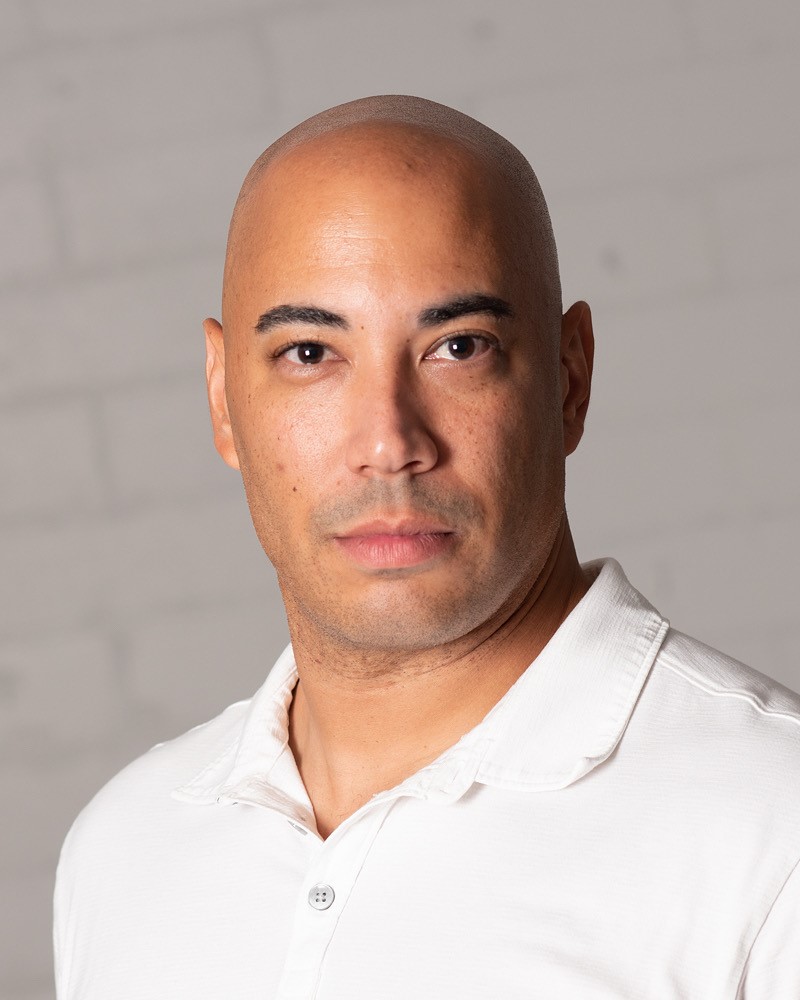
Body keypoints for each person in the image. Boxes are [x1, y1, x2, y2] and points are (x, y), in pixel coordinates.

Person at [53, 95, 800, 999]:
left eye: (459, 347)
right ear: (222, 399)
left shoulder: (772, 832)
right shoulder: (123, 851)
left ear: (570, 378)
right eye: (308, 354)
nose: (389, 441)